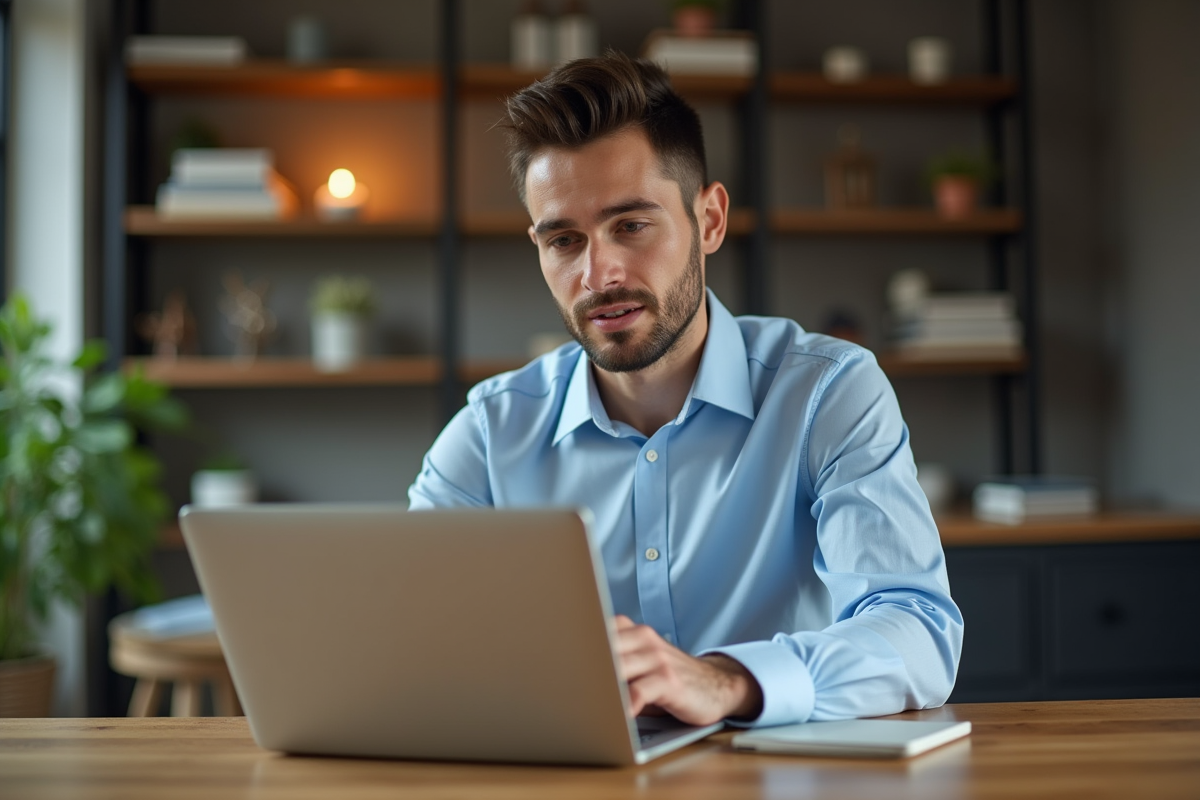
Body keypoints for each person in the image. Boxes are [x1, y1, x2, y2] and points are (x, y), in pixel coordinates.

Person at [408, 52, 963, 729]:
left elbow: (916, 631)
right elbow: (417, 644)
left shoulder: (828, 392)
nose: (598, 272)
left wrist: (725, 682)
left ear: (710, 220)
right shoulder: (490, 433)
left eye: (631, 225)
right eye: (564, 240)